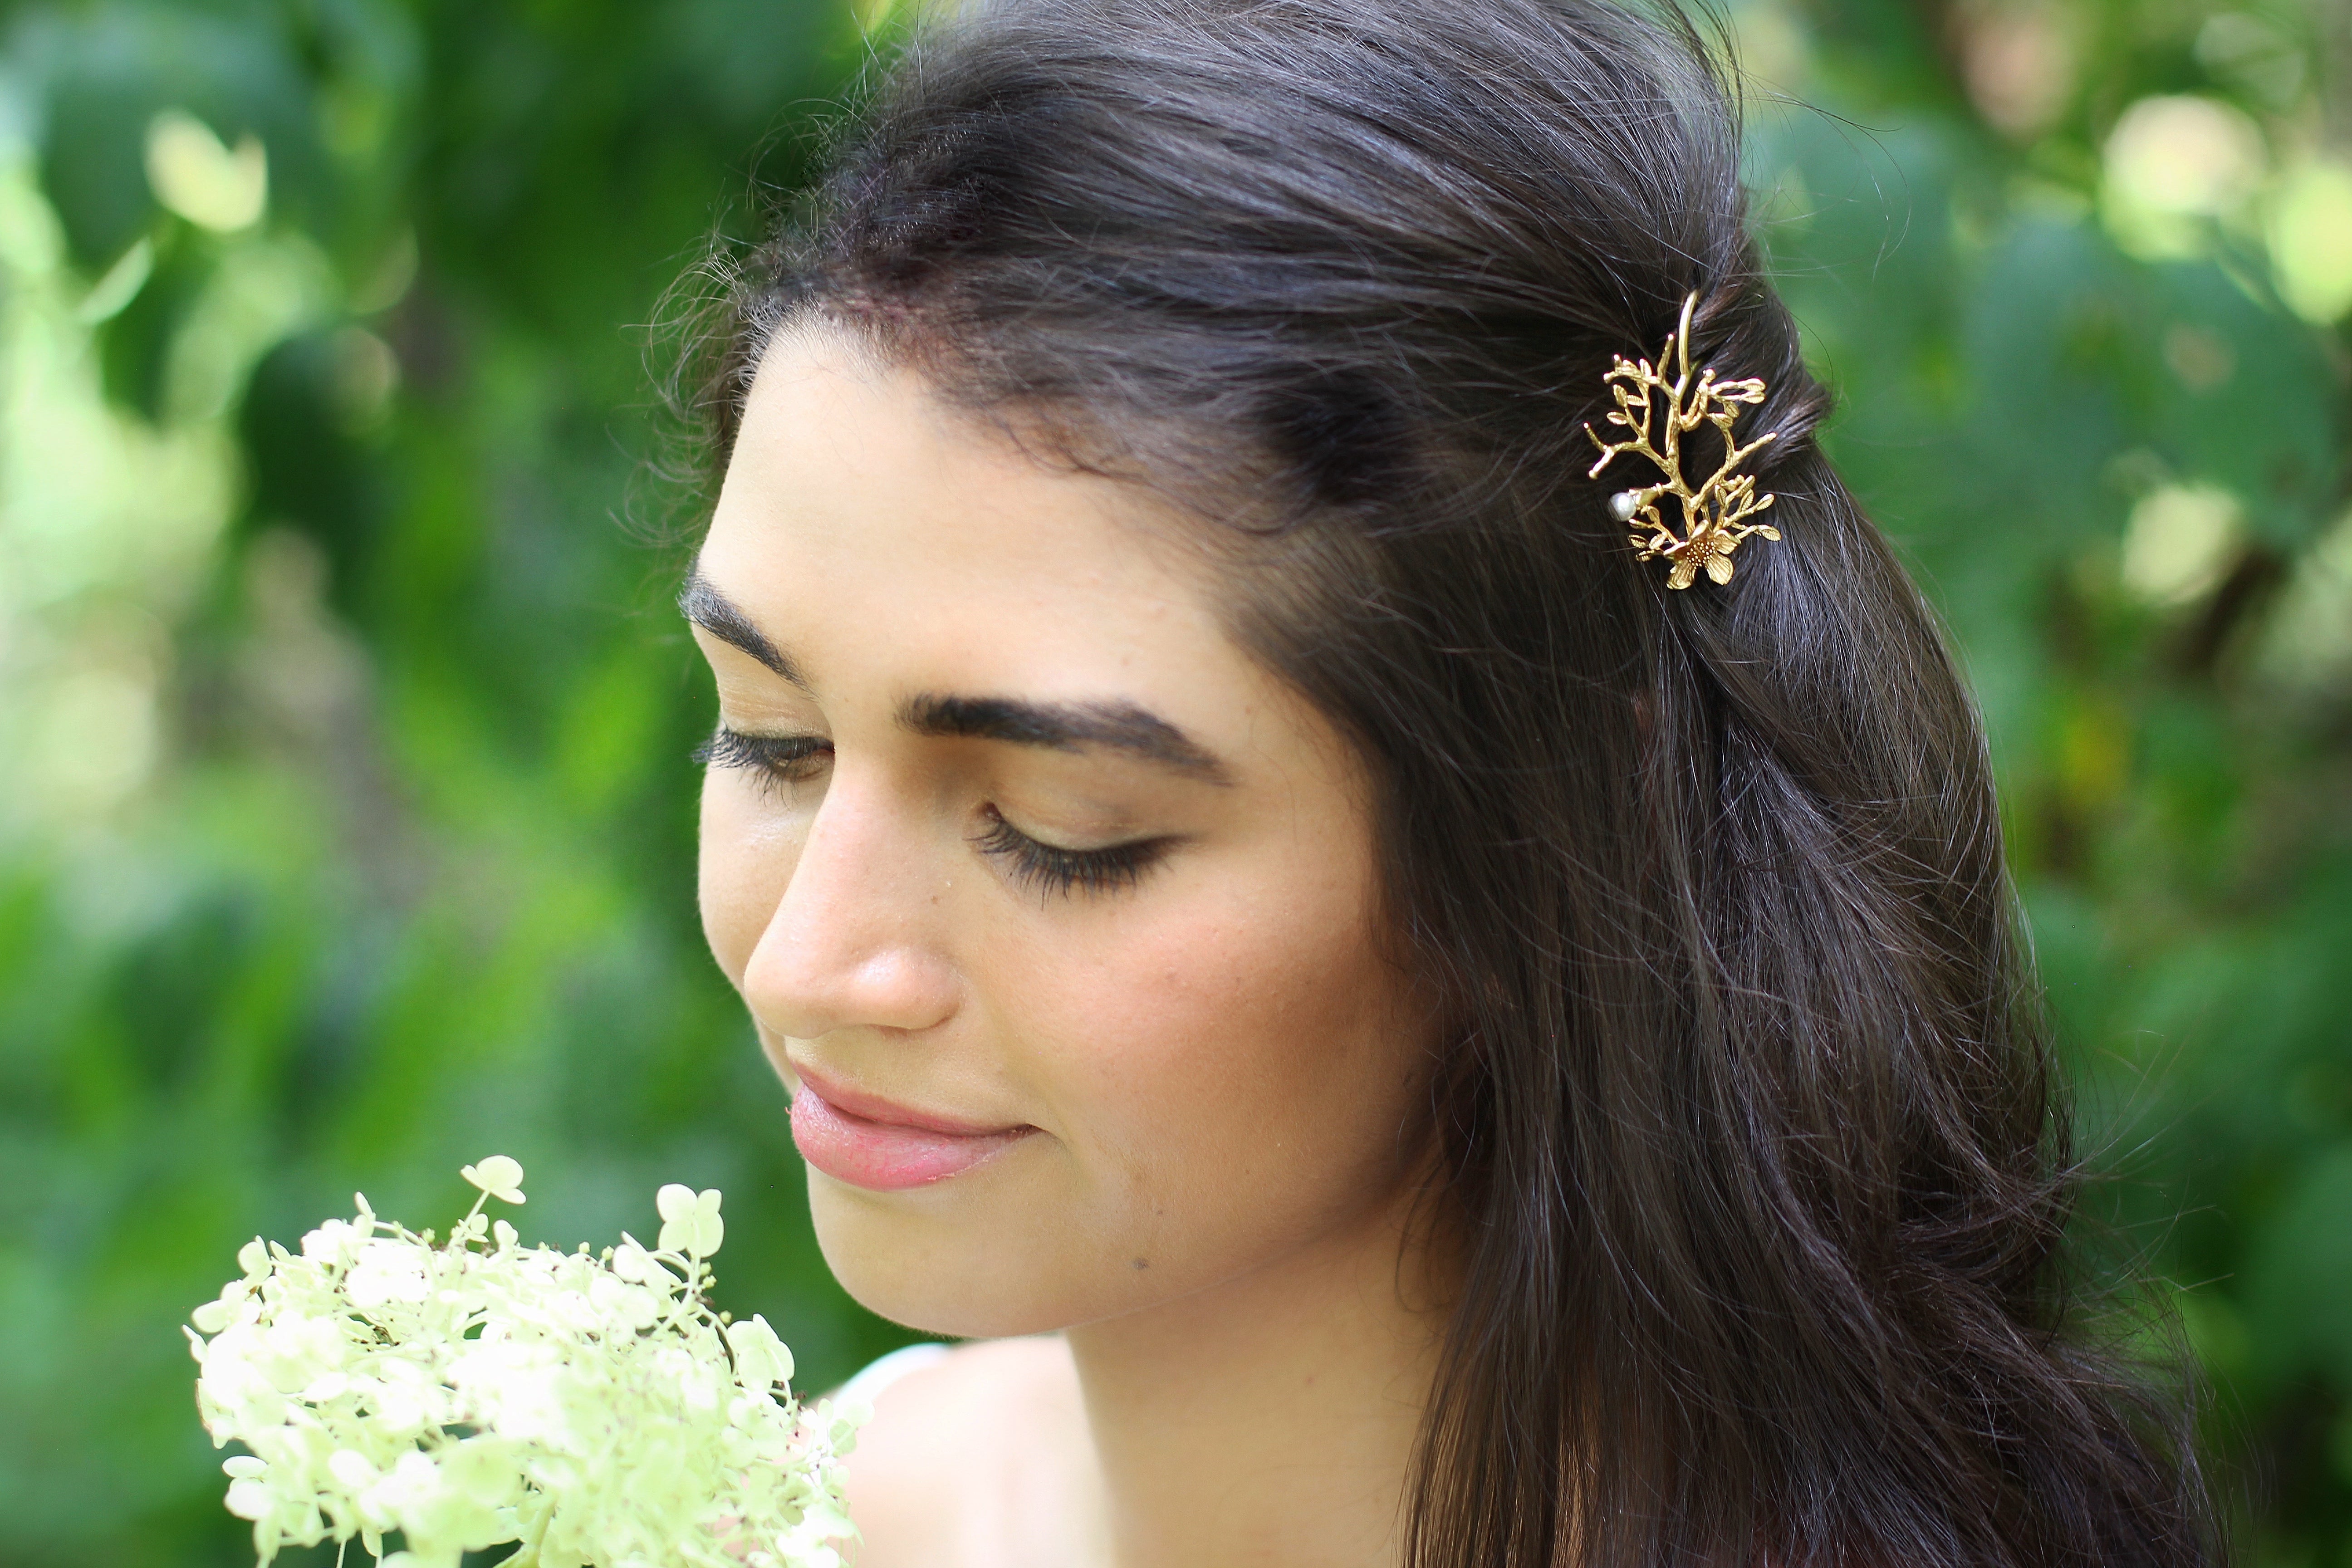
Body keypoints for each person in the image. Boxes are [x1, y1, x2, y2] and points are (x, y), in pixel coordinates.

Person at [672, 1, 2217, 1563]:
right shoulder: (809, 1504)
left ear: (1556, 841)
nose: (808, 965)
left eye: (1068, 832)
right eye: (769, 736)